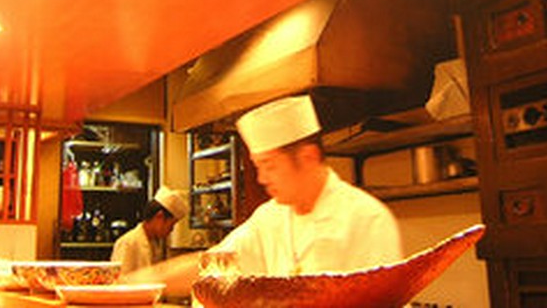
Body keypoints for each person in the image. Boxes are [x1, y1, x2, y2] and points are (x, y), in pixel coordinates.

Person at [123, 94, 403, 293]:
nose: (261, 178)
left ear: (307, 157)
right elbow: (209, 266)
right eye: (258, 167)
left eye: (269, 166)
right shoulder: (270, 217)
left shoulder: (367, 219)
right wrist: (131, 284)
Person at [110, 186, 189, 274]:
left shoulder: (158, 243)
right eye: (171, 225)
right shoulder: (128, 243)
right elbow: (119, 278)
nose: (171, 230)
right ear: (160, 216)